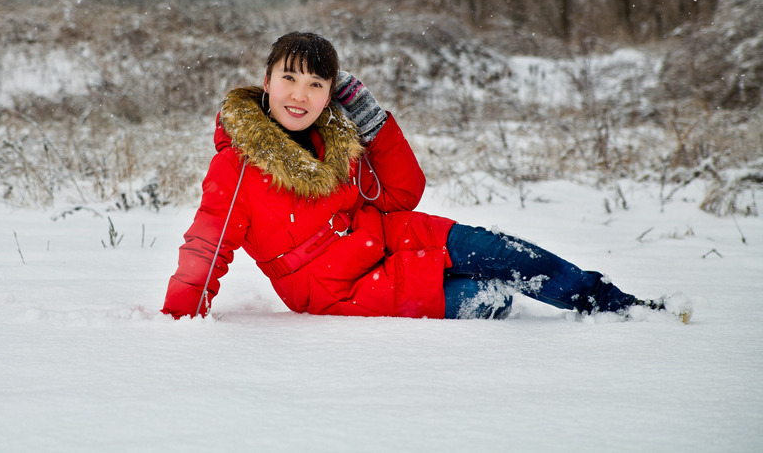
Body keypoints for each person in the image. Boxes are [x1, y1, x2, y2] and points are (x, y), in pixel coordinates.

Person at [162, 31, 688, 322]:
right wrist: (178, 320)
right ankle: (561, 306)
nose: (299, 95)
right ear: (267, 81)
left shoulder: (333, 143)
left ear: (329, 96)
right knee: (492, 299)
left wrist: (369, 120)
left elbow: (402, 193)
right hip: (335, 287)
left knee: (503, 251)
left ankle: (618, 307)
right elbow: (207, 247)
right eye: (289, 79)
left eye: (316, 84)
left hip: (384, 235)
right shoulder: (238, 164)